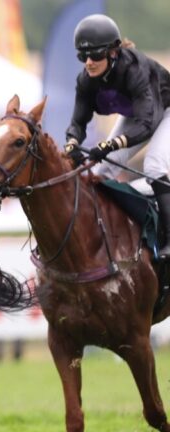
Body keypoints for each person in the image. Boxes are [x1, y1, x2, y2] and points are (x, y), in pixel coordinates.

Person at [63, 14, 170, 258]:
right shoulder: (86, 80)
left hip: (164, 112)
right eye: (83, 56)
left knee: (154, 165)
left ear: (113, 52)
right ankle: (104, 236)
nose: (89, 63)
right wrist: (72, 143)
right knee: (102, 172)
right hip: (136, 114)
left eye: (95, 55)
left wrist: (111, 144)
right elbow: (78, 122)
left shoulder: (135, 70)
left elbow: (147, 123)